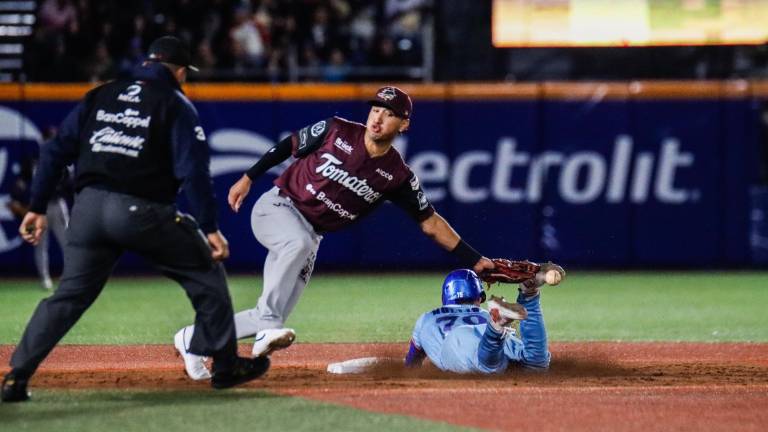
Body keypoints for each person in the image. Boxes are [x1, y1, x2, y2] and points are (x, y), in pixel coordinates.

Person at [1, 36, 270, 403]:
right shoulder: (175, 103)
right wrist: (209, 227)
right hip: (141, 211)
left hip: (88, 210)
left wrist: (35, 205)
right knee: (206, 272)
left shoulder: (102, 94)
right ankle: (225, 366)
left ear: (147, 64)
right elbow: (194, 172)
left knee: (68, 296)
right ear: (179, 71)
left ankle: (17, 376)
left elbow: (54, 152)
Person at [174, 86, 496, 379]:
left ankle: (193, 339)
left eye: (388, 113)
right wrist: (248, 177)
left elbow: (431, 222)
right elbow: (289, 145)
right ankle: (267, 329)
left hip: (310, 237)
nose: (378, 118)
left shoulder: (397, 175)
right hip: (278, 208)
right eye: (375, 110)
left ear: (404, 124)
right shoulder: (336, 129)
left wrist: (475, 259)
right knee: (281, 292)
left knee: (269, 312)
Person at [404, 264, 564, 374]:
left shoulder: (427, 318)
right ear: (480, 296)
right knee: (536, 365)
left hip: (459, 341)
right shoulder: (483, 314)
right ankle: (529, 294)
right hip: (490, 330)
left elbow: (412, 363)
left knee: (487, 366)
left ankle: (496, 326)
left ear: (445, 296)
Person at [7, 154, 71, 290]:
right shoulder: (34, 161)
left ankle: (65, 278)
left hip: (52, 205)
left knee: (66, 244)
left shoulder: (59, 159)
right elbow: (19, 185)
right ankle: (46, 279)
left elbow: (69, 183)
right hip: (41, 207)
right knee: (43, 245)